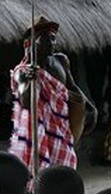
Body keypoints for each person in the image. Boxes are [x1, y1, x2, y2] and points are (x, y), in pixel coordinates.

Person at [9, 16, 88, 174]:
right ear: (30, 44)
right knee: (40, 173)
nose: (52, 44)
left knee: (65, 168)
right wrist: (30, 78)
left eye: (53, 39)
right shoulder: (22, 71)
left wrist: (88, 106)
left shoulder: (61, 61)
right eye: (45, 40)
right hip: (37, 130)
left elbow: (72, 87)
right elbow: (25, 101)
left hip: (61, 127)